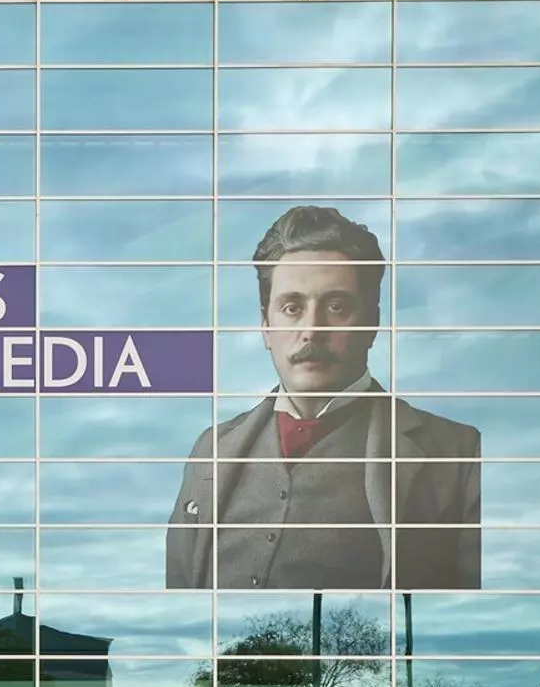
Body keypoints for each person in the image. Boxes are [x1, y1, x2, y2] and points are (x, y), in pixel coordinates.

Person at [166, 204, 480, 590]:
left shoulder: (458, 455)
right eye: (292, 308)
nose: (311, 330)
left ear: (372, 322)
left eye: (335, 307)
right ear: (266, 325)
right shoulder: (208, 450)